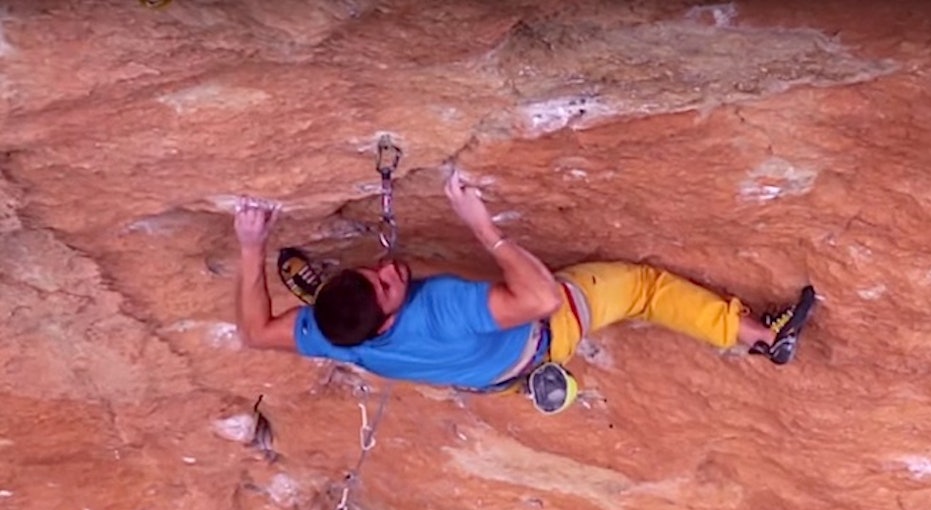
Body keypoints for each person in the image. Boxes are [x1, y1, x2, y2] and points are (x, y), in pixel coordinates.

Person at [232, 171, 816, 407]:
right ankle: (764, 336)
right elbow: (537, 299)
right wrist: (480, 225)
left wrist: (251, 246)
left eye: (370, 271)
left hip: (494, 379)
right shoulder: (441, 307)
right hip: (543, 333)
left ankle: (320, 296)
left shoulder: (339, 339)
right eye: (385, 286)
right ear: (386, 321)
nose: (391, 270)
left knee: (314, 322)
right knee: (643, 288)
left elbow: (257, 332)